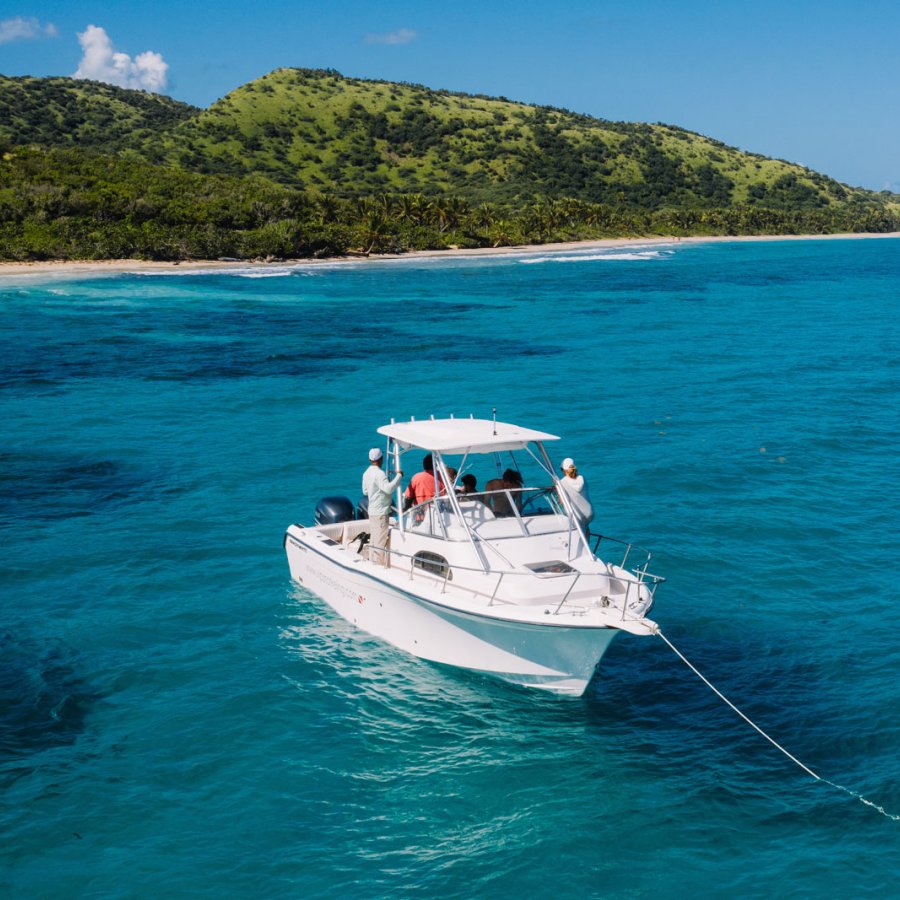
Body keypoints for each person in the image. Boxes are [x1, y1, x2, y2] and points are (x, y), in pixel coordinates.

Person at [362, 448, 402, 566]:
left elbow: (365, 491)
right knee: (379, 543)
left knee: (374, 540)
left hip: (372, 511)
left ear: (370, 459)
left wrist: (375, 490)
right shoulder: (380, 474)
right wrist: (399, 476)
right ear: (380, 459)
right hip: (380, 512)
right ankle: (378, 567)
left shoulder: (366, 473)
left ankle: (371, 563)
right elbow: (388, 489)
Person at [557, 457, 593, 533]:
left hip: (577, 516)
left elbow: (561, 501)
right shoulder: (582, 478)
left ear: (564, 470)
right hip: (589, 512)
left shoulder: (562, 482)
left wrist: (557, 488)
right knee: (585, 526)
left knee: (578, 527)